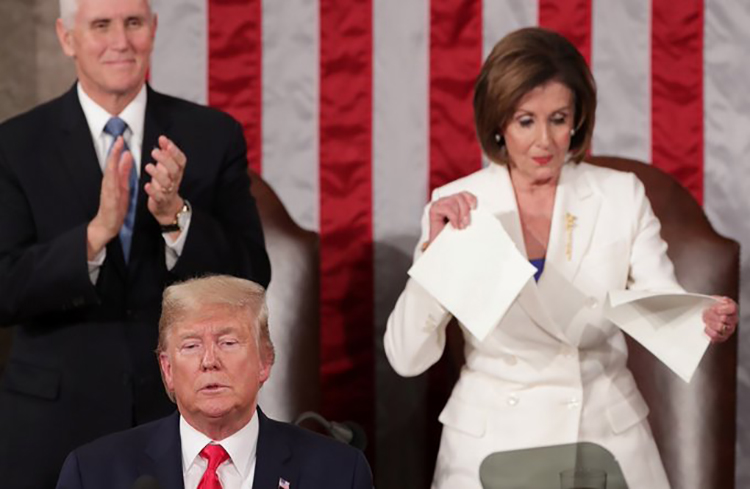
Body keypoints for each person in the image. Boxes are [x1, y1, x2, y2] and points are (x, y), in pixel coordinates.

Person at [383, 27, 738, 489]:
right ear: (498, 123)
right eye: (525, 120)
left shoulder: (620, 196)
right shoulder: (460, 203)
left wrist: (702, 318)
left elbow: (662, 301)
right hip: (491, 441)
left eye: (558, 118)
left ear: (578, 120)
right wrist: (435, 256)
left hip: (602, 434)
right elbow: (405, 357)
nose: (544, 141)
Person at [0, 0, 270, 487]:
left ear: (154, 29)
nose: (120, 41)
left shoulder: (212, 135)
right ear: (67, 38)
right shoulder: (16, 144)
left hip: (177, 419)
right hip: (52, 426)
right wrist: (94, 235)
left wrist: (177, 218)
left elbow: (252, 275)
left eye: (133, 23)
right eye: (101, 25)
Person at [55, 275, 373, 489]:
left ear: (265, 361)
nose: (209, 360)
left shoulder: (340, 473)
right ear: (167, 369)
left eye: (228, 342)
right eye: (191, 346)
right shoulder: (94, 473)